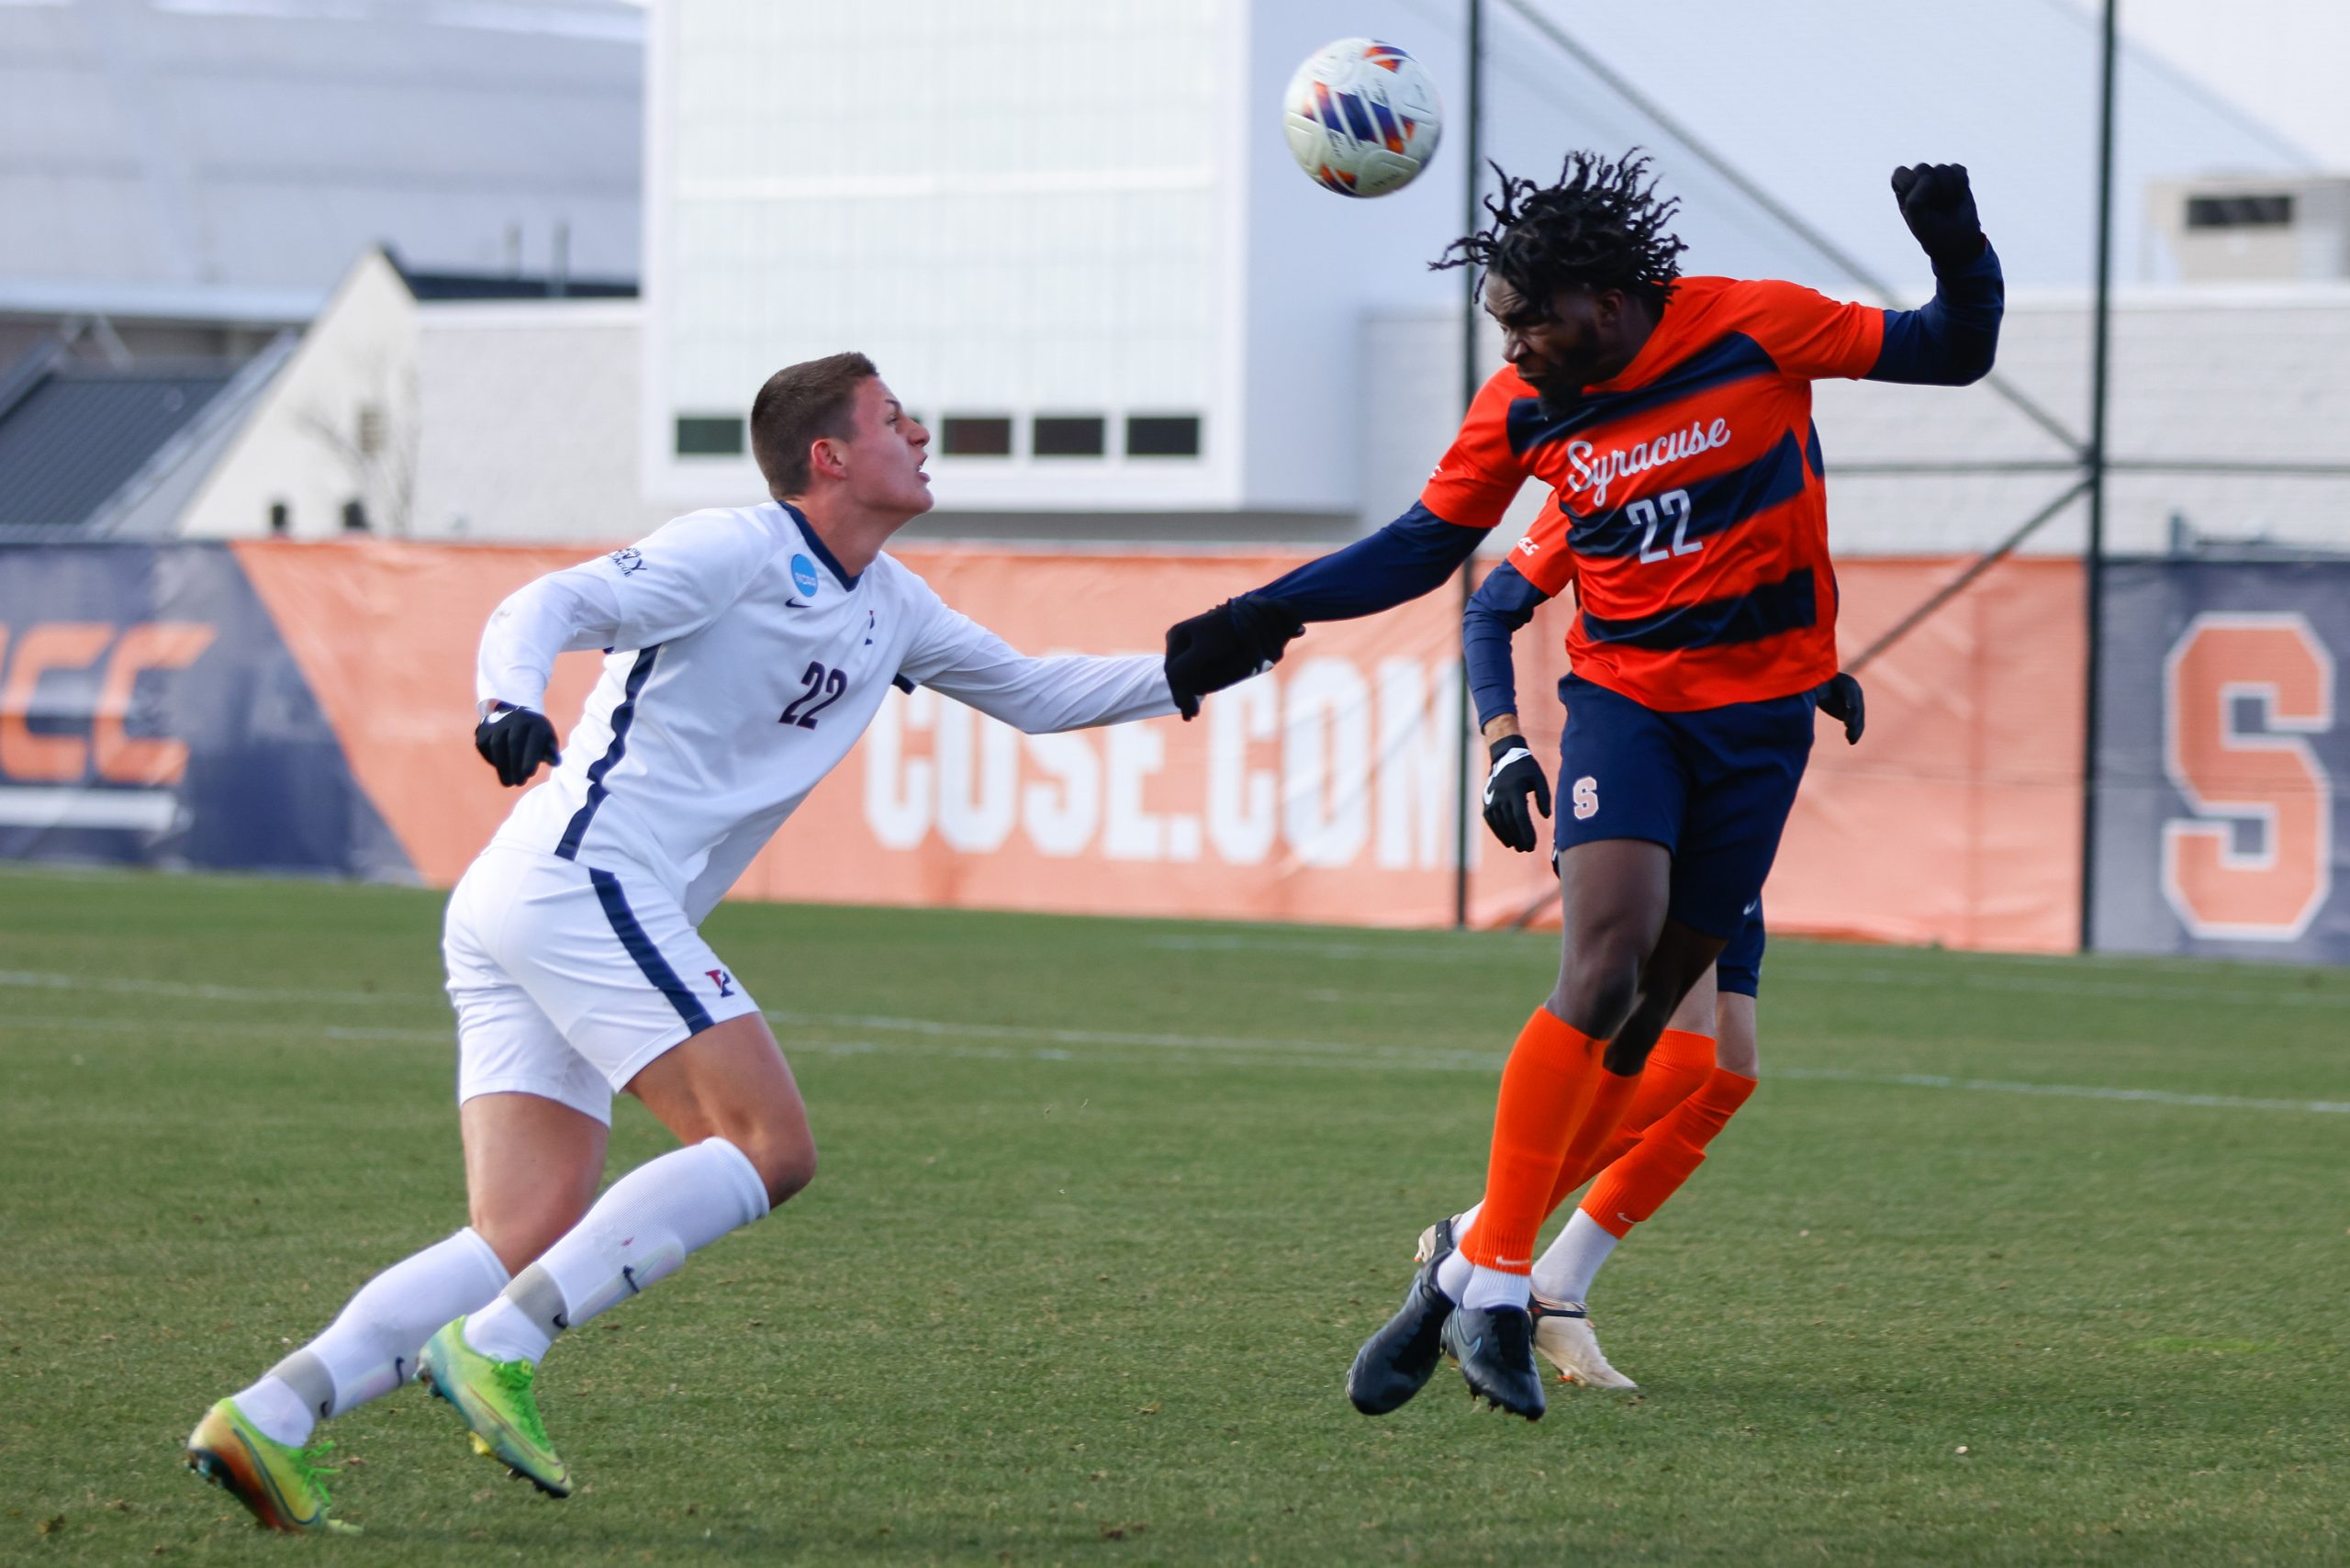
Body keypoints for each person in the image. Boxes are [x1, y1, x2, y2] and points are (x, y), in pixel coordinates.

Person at [184, 353, 1185, 1532]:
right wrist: (506, 697)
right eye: (893, 419)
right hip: (580, 882)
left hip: (533, 894)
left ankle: (270, 1414)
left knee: (524, 1228)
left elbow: (1035, 691)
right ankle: (502, 1344)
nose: (921, 434)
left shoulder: (892, 600)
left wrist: (1226, 646)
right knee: (772, 1145)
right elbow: (540, 605)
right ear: (829, 456)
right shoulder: (734, 548)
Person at [1162, 150, 2001, 1419]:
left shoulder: (1755, 325)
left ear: (1607, 303)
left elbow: (1953, 349)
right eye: (1501, 320)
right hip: (1627, 709)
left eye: (1528, 317)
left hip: (1761, 726)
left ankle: (1461, 1265)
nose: (1512, 343)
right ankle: (1504, 1281)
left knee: (1666, 1028)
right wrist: (1261, 614)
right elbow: (1424, 550)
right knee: (1604, 963)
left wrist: (1957, 247)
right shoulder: (1522, 409)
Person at [1430, 557, 1867, 1392]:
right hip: (1640, 776)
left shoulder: (1741, 476)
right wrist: (1503, 741)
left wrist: (1806, 677)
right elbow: (1491, 611)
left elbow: (1714, 622)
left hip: (1729, 775)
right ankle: (1484, 1241)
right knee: (1680, 1058)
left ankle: (1552, 1284)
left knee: (1728, 1072)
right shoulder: (1616, 462)